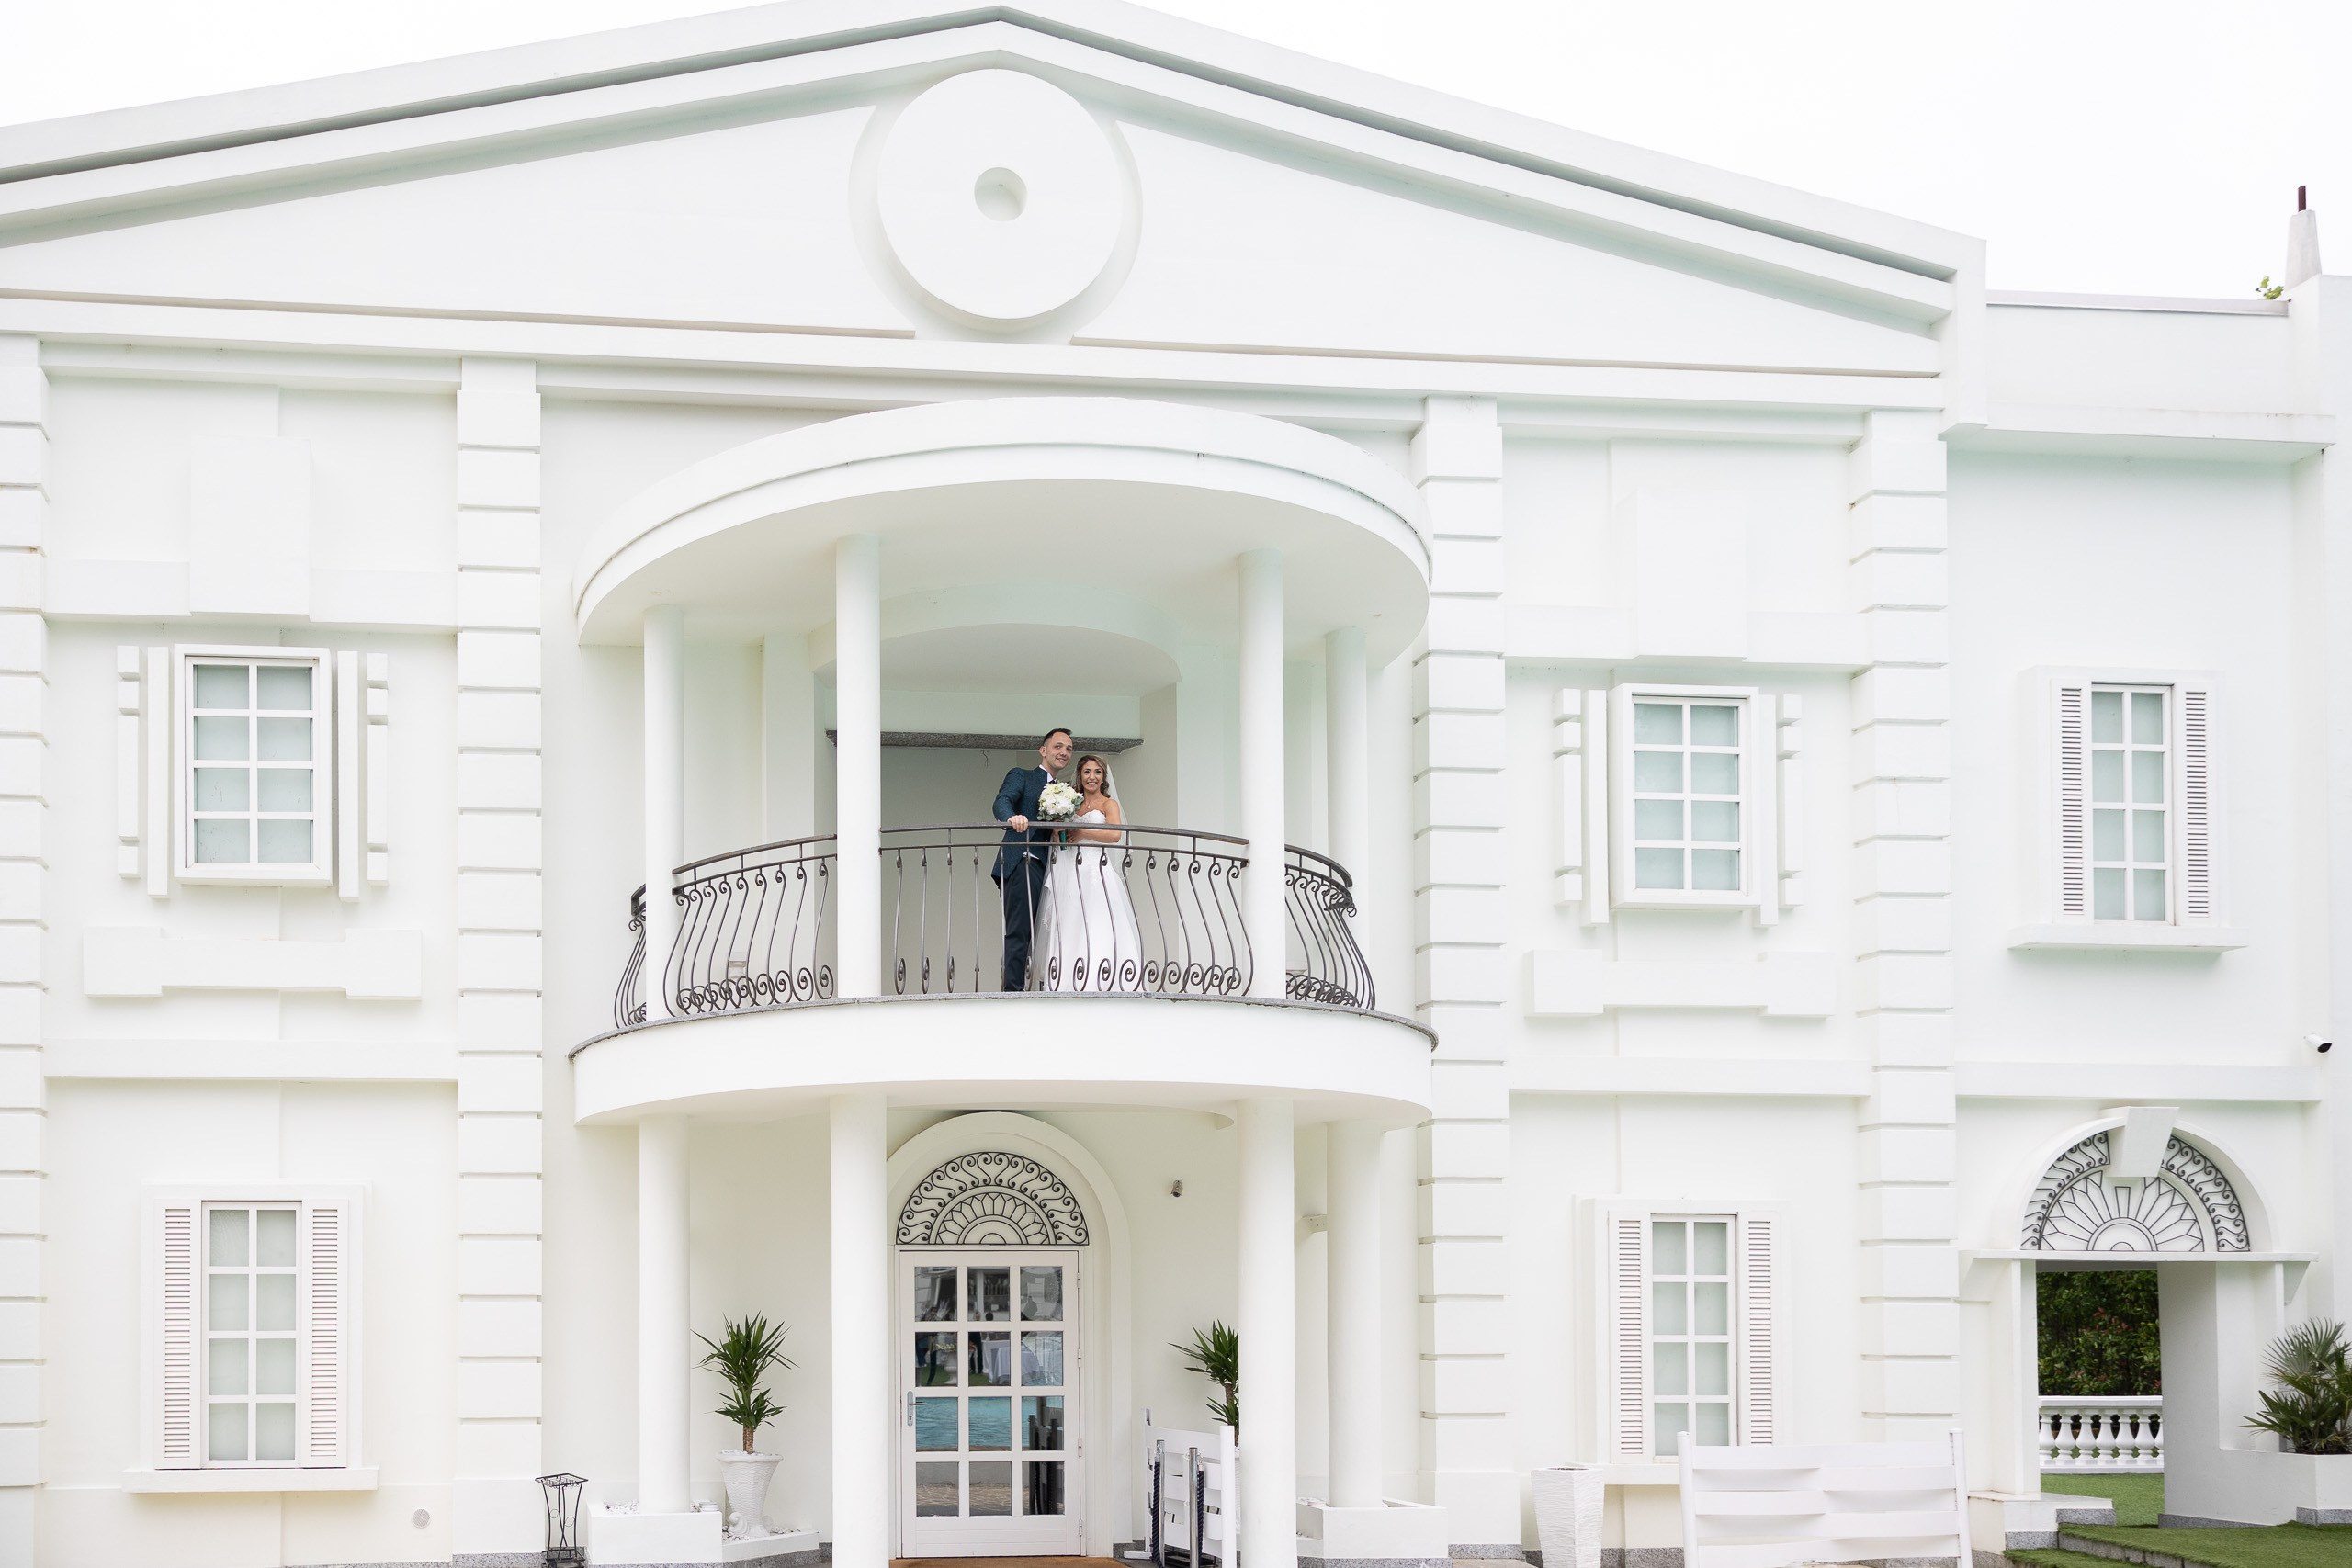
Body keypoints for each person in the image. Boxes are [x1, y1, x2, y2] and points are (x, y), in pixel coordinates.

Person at [1035, 754, 1144, 990]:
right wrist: (1059, 830)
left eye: (1097, 772)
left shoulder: (1108, 804)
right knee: (1070, 922)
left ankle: (1103, 979)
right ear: (1080, 775)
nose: (1092, 777)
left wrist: (1082, 831)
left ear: (1103, 777)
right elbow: (1060, 837)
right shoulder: (1071, 802)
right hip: (1071, 871)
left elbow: (1115, 835)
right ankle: (1066, 981)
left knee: (1098, 923)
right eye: (1087, 772)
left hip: (1097, 872)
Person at [992, 728, 1074, 991]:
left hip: (1050, 867)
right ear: (1044, 750)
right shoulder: (1023, 776)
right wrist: (1012, 817)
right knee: (1020, 929)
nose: (1063, 752)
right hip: (1022, 860)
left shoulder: (1065, 791)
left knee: (1043, 930)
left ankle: (1038, 987)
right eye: (1058, 746)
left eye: (1069, 749)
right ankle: (1012, 994)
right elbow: (1002, 801)